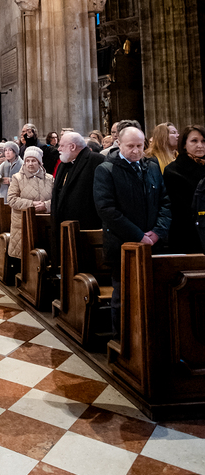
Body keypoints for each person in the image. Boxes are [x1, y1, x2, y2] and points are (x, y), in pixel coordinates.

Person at [93, 126, 171, 337]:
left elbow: (164, 201)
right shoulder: (106, 169)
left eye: (139, 146)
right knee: (124, 296)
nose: (136, 151)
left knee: (153, 294)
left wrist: (157, 232)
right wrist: (139, 236)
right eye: (130, 146)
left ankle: (149, 341)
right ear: (119, 144)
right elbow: (106, 209)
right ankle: (122, 343)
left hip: (153, 243)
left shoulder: (152, 166)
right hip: (122, 245)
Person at [51, 131, 105, 264]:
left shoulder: (96, 161)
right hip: (64, 226)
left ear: (72, 147)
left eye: (61, 145)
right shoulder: (64, 164)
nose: (58, 149)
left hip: (87, 226)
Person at [163, 124, 205, 252]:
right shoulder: (173, 171)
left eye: (203, 141)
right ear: (184, 145)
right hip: (188, 235)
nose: (200, 145)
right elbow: (181, 210)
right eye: (194, 141)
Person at [7, 146, 54, 260]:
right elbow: (12, 199)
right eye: (27, 161)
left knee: (44, 257)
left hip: (45, 224)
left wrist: (46, 205)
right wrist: (32, 204)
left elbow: (57, 200)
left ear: (40, 163)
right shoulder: (17, 178)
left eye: (34, 161)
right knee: (24, 258)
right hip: (23, 223)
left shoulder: (50, 179)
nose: (30, 164)